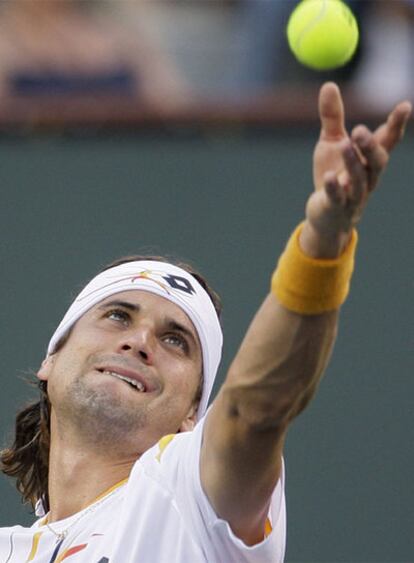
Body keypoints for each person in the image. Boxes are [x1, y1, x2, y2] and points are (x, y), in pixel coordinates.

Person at [0, 82, 411, 562]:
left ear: (192, 415)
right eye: (117, 315)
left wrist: (323, 240)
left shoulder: (187, 491)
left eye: (177, 341)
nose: (139, 341)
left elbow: (257, 409)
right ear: (51, 360)